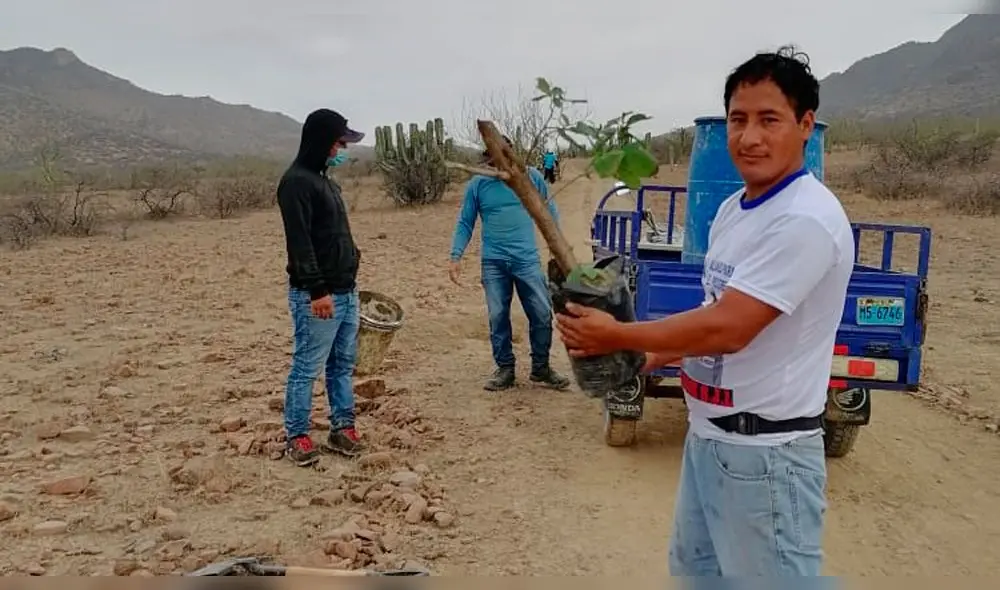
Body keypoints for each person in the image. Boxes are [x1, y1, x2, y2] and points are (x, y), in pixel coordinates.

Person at [554, 46, 852, 576]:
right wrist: (647, 357)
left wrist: (620, 335)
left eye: (769, 119)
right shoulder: (732, 211)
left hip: (768, 457)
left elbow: (730, 327)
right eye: (738, 119)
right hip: (709, 439)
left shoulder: (804, 219)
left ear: (806, 125)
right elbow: (710, 314)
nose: (750, 136)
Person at [276, 108, 368, 467]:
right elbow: (300, 243)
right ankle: (297, 435)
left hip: (346, 289)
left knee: (343, 364)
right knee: (306, 367)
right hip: (319, 295)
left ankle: (342, 428)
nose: (340, 148)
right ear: (320, 140)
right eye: (337, 141)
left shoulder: (325, 181)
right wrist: (317, 291)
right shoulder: (296, 182)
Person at [448, 138, 571, 392]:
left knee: (540, 313)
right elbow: (465, 222)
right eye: (493, 154)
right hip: (493, 262)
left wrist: (557, 248)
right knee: (497, 316)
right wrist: (455, 256)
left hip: (526, 260)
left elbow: (548, 212)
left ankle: (541, 368)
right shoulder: (478, 184)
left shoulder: (531, 178)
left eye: (503, 153)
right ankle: (505, 369)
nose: (498, 159)